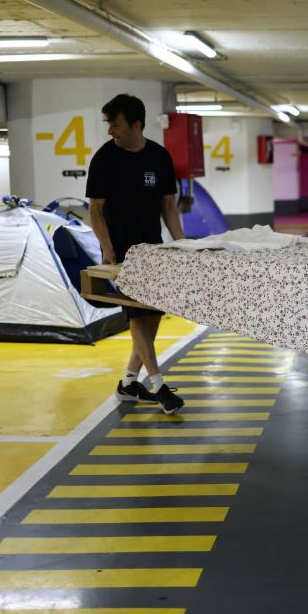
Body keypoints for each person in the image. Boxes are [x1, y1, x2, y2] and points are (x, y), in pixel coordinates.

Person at [86, 93, 185, 415]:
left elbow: (168, 205)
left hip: (153, 249)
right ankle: (159, 385)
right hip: (121, 255)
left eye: (115, 124)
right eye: (109, 124)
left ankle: (129, 383)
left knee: (151, 315)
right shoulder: (104, 159)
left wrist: (183, 245)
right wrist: (107, 249)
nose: (110, 131)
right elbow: (95, 210)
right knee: (137, 316)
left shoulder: (159, 157)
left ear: (136, 124)